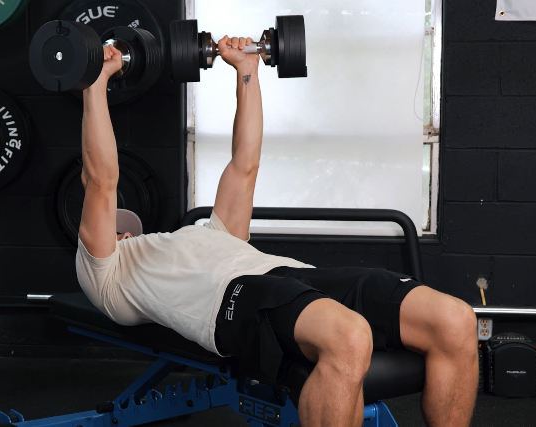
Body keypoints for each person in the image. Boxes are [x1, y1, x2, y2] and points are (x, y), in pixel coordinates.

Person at [76, 36, 477, 427]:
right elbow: (101, 180)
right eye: (117, 230)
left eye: (127, 229)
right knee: (350, 337)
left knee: (455, 319)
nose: (124, 233)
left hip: (290, 275)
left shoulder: (208, 233)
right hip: (230, 300)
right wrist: (95, 82)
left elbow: (244, 163)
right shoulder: (107, 275)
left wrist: (248, 70)